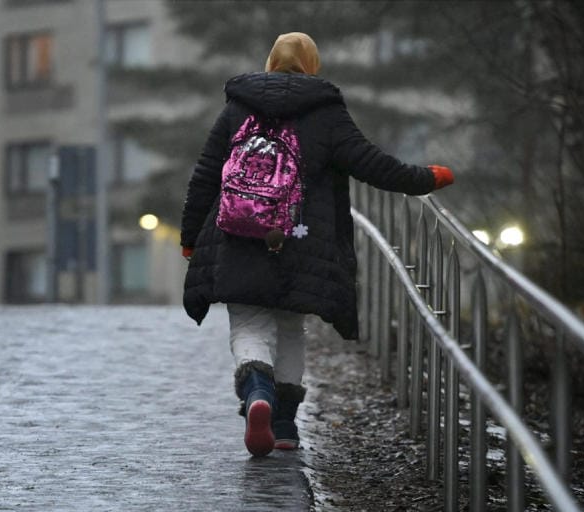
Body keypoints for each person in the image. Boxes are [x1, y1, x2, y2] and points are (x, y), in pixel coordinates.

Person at [180, 31, 454, 457]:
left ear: (271, 62)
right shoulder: (326, 111)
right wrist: (426, 178)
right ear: (312, 64)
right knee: (290, 326)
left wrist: (189, 236)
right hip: (299, 238)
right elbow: (371, 164)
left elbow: (206, 172)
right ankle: (286, 425)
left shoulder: (238, 106)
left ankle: (256, 394)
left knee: (250, 323)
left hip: (237, 235)